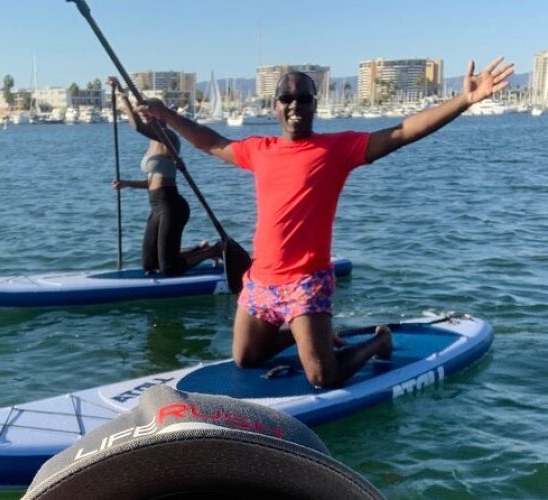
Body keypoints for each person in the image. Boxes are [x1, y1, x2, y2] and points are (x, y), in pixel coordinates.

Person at [135, 57, 514, 388]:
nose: (295, 105)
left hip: (306, 281)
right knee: (246, 359)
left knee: (322, 376)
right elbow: (210, 142)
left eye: (303, 98)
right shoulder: (259, 151)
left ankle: (377, 342)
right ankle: (309, 336)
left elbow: (403, 132)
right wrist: (165, 114)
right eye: (287, 98)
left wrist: (464, 100)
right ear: (275, 106)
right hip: (261, 280)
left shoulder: (337, 149)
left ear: (314, 104)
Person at [107, 77, 222, 277]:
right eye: (144, 115)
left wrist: (122, 94)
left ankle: (214, 251)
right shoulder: (153, 142)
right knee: (149, 265)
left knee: (168, 269)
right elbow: (153, 182)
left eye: (149, 114)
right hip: (157, 207)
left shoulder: (169, 137)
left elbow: (137, 127)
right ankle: (199, 249)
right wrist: (127, 184)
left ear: (159, 115)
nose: (145, 117)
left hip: (171, 205)